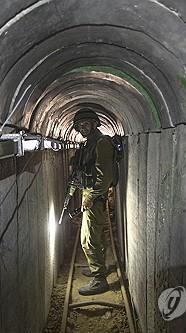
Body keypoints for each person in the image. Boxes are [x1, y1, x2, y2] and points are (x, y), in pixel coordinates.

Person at [72, 108, 114, 296]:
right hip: (89, 193)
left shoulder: (101, 143)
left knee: (88, 239)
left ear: (95, 124)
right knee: (94, 235)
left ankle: (99, 279)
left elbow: (105, 177)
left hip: (95, 196)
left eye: (86, 124)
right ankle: (98, 267)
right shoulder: (90, 143)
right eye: (80, 126)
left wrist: (90, 196)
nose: (82, 128)